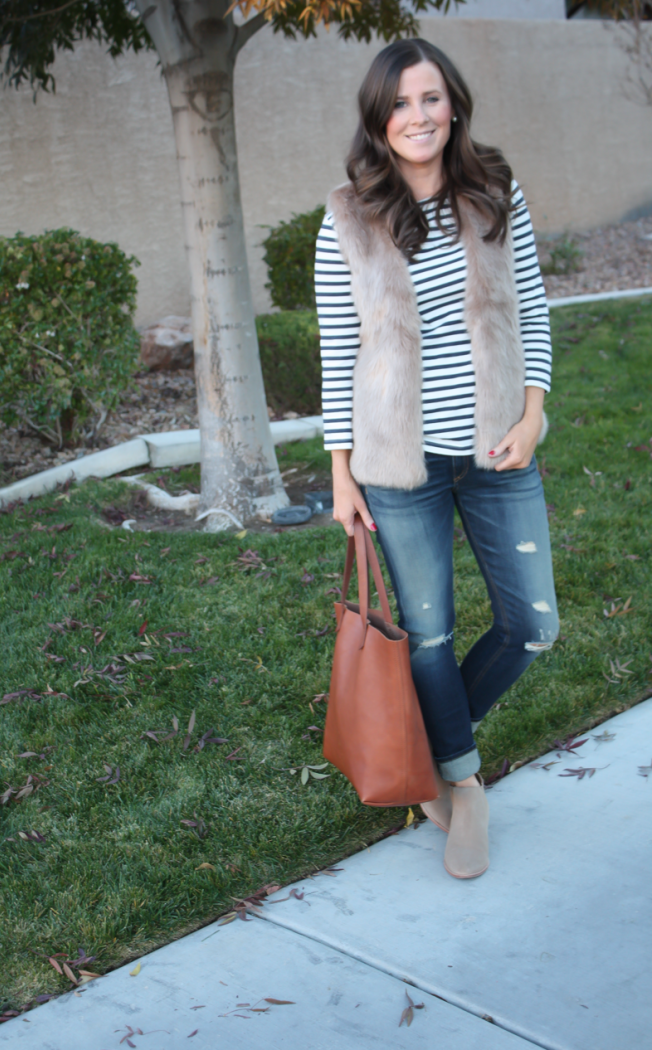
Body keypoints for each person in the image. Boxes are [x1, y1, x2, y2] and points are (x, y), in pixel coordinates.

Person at [315, 38, 559, 880]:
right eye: (399, 103)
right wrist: (340, 472)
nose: (416, 116)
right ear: (378, 119)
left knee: (532, 626)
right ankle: (462, 783)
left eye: (429, 99)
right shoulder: (346, 214)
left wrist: (533, 414)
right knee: (428, 635)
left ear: (451, 104)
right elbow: (337, 350)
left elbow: (530, 306)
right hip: (396, 467)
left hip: (497, 450)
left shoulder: (494, 192)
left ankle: (427, 737)